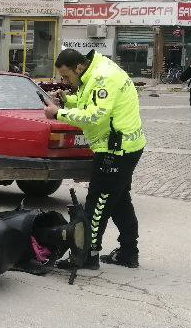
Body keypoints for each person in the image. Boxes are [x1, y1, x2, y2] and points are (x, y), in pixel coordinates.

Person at [44, 48, 147, 270]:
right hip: (124, 147)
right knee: (119, 201)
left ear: (79, 67)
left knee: (96, 204)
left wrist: (58, 114)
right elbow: (87, 102)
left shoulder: (103, 77)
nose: (65, 80)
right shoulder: (93, 72)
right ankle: (129, 252)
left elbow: (94, 116)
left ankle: (86, 256)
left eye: (67, 76)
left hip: (116, 151)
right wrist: (67, 100)